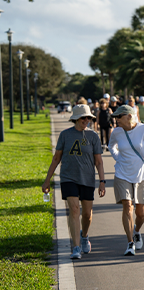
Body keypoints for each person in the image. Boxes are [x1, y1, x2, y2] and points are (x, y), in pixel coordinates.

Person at [42, 105, 106, 259]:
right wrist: (47, 180)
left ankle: (84, 236)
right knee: (74, 209)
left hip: (87, 178)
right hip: (68, 178)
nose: (86, 120)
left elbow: (98, 161)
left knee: (87, 214)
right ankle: (76, 247)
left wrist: (102, 181)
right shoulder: (65, 135)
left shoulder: (93, 137)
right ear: (76, 119)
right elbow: (56, 158)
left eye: (89, 118)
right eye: (83, 118)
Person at [108, 105, 144, 256]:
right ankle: (130, 243)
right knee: (128, 206)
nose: (116, 121)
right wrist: (118, 159)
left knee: (141, 213)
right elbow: (111, 146)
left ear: (129, 116)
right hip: (122, 173)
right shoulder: (116, 132)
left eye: (118, 117)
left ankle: (137, 231)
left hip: (141, 174)